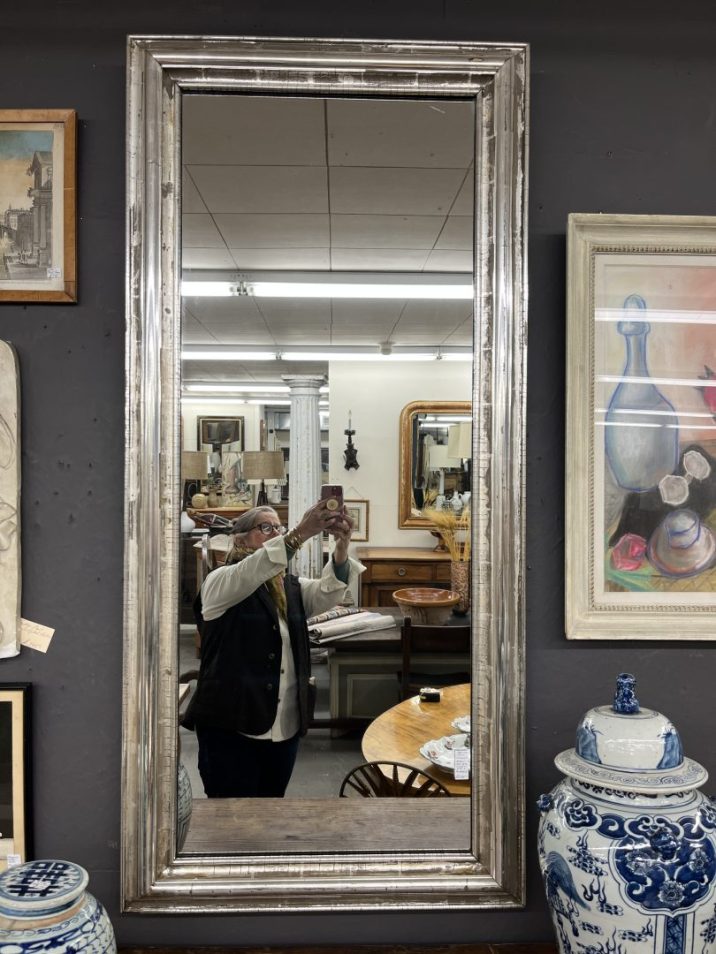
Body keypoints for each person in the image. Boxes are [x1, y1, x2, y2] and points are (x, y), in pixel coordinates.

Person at [182, 499, 363, 797]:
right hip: (231, 728)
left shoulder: (287, 586)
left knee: (272, 807)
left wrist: (342, 546)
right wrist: (299, 532)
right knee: (232, 819)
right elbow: (254, 570)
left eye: (277, 528)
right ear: (239, 538)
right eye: (265, 528)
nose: (275, 534)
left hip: (283, 727)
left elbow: (326, 593)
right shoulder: (221, 582)